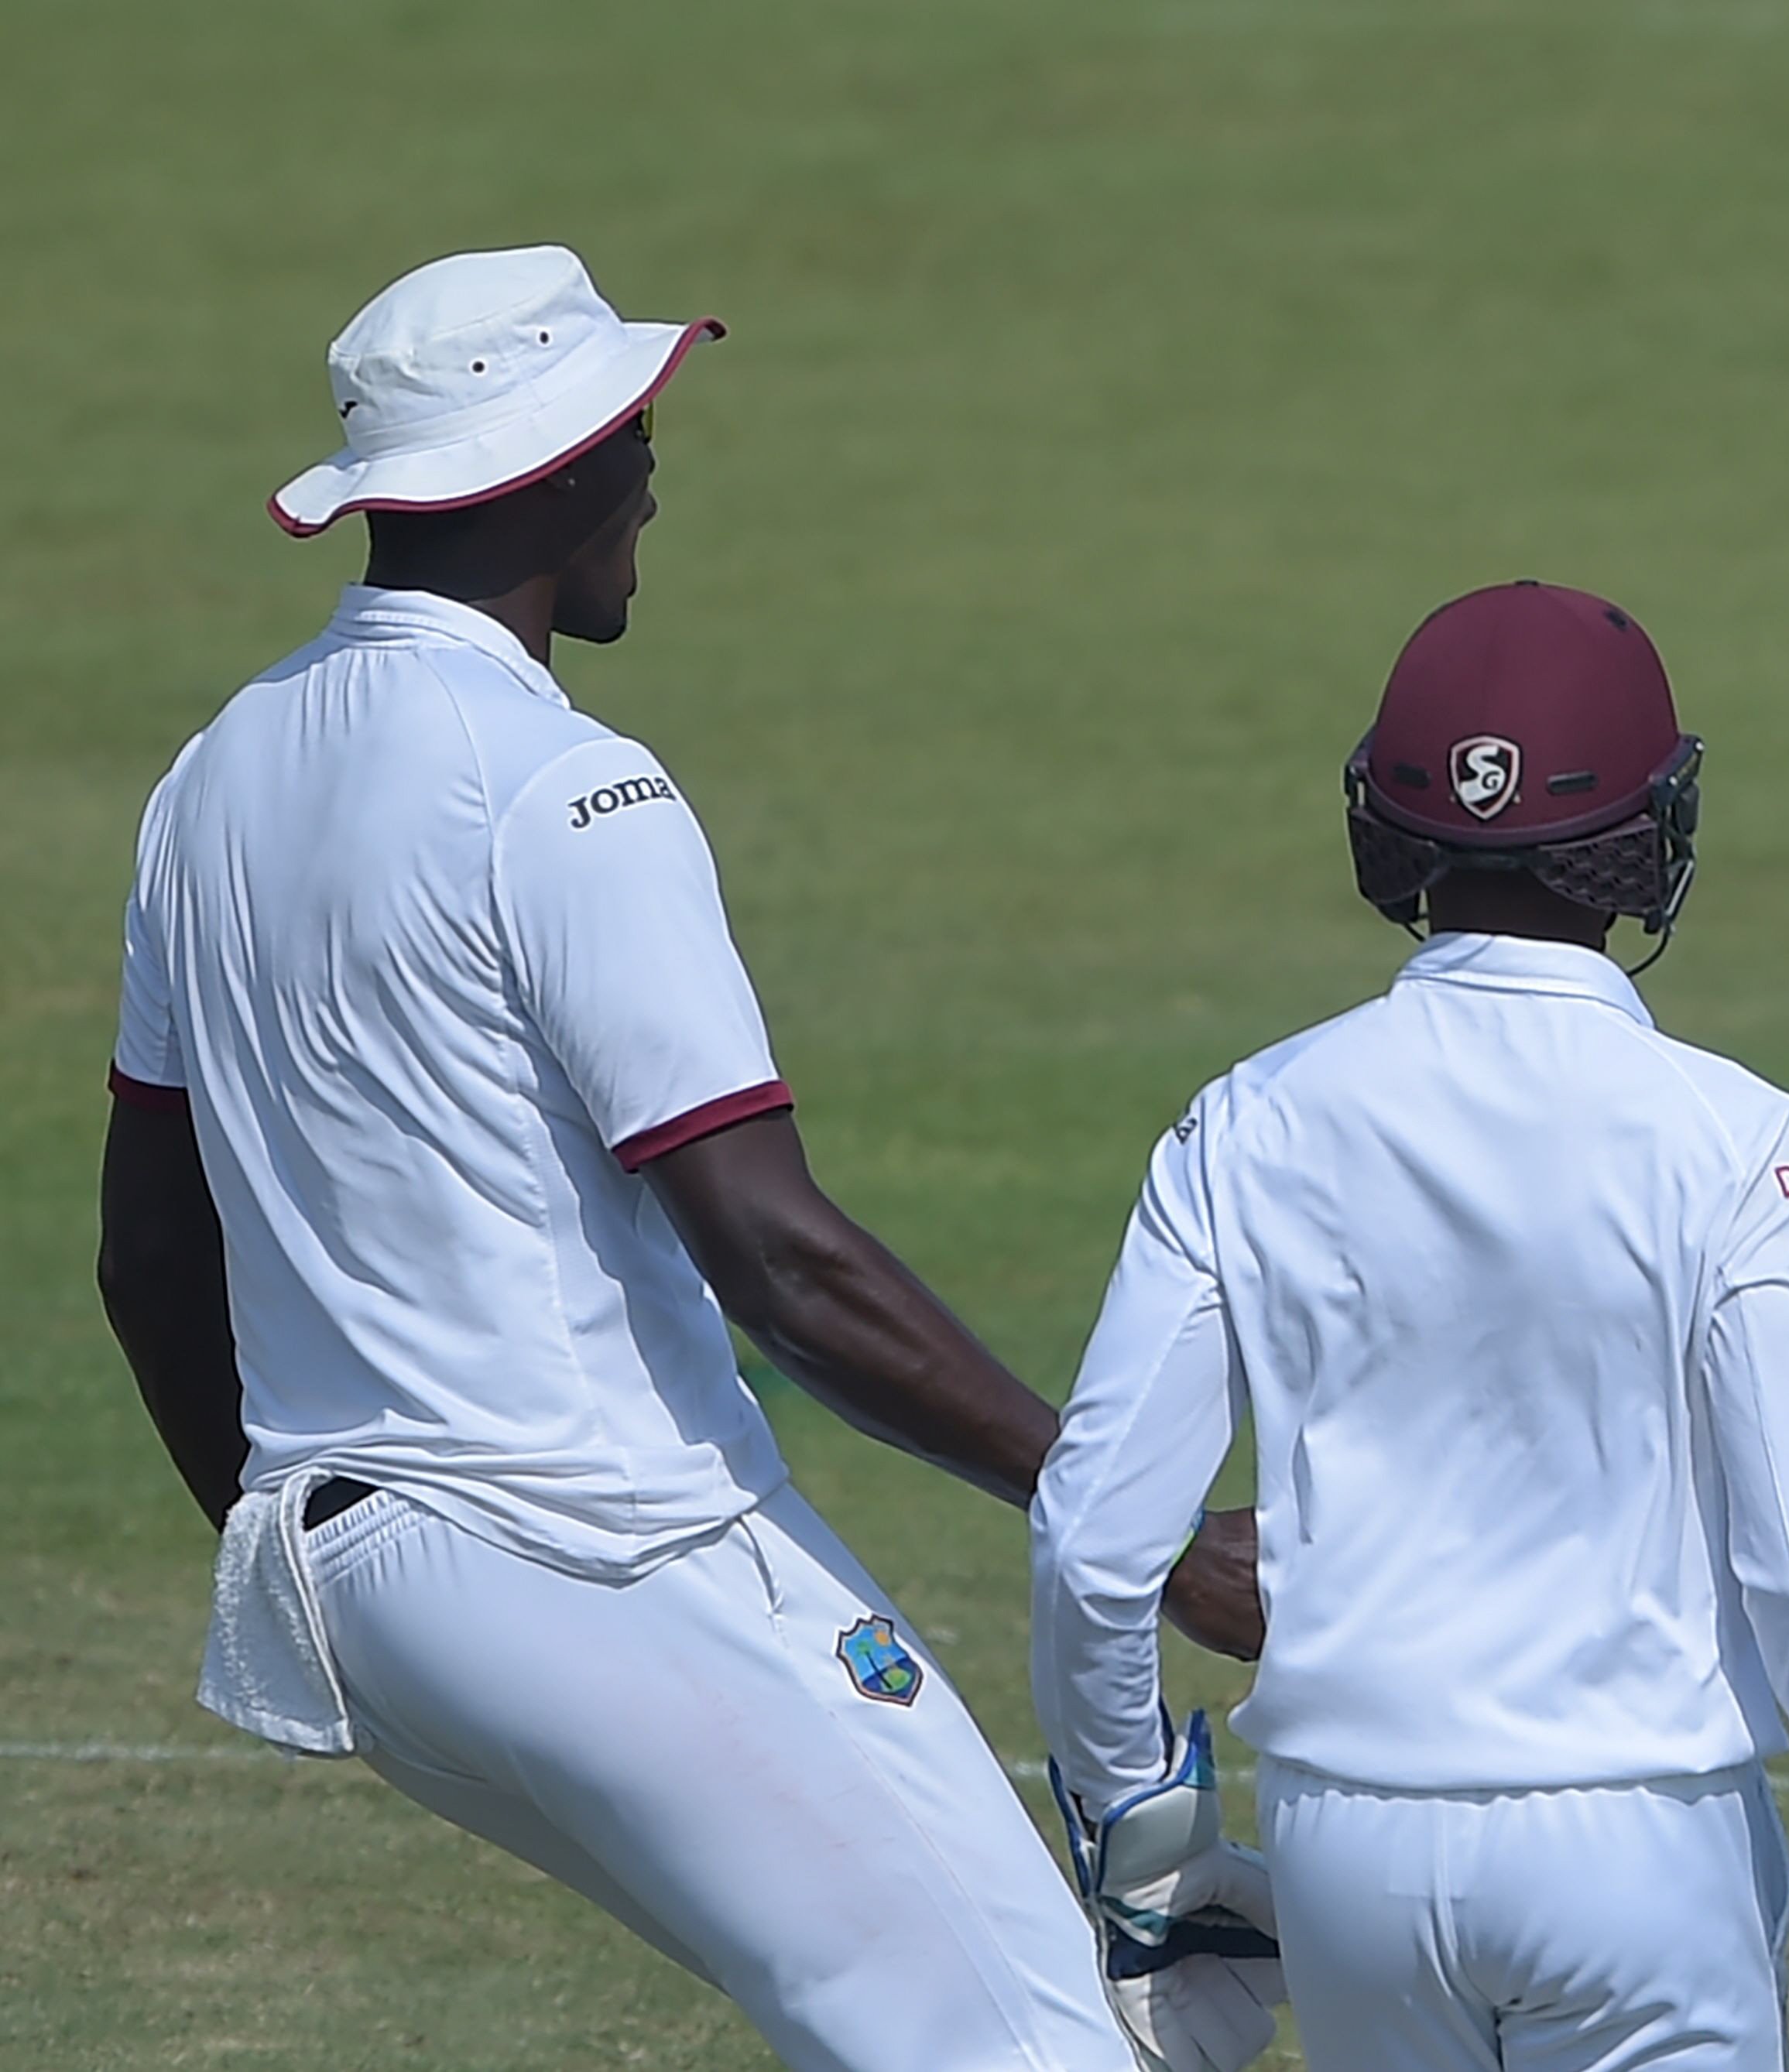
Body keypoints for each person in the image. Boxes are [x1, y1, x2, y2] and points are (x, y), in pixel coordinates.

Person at [94, 245, 1258, 2072]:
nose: (653, 473)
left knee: (930, 2010)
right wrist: (1138, 1530)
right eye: (628, 433)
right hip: (601, 1555)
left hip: (359, 1603)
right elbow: (780, 1264)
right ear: (545, 475)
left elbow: (147, 1265)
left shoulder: (209, 780)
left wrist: (303, 1532)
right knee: (1023, 2042)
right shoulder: (566, 788)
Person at [1028, 581, 1789, 2072]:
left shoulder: (1243, 1121)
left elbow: (1089, 1535)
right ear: (1647, 839)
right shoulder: (1737, 1137)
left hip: (1347, 1852)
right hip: (1644, 1845)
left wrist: (1138, 1843)